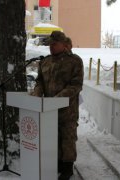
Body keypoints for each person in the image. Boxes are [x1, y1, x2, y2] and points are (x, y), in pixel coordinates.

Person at [31, 31, 84, 179]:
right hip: (48, 108)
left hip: (67, 110)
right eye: (50, 44)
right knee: (52, 137)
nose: (51, 47)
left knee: (67, 138)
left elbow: (76, 85)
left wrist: (58, 99)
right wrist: (37, 93)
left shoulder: (75, 61)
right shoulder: (45, 61)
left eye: (54, 44)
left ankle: (68, 168)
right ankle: (57, 164)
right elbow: (39, 81)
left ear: (64, 44)